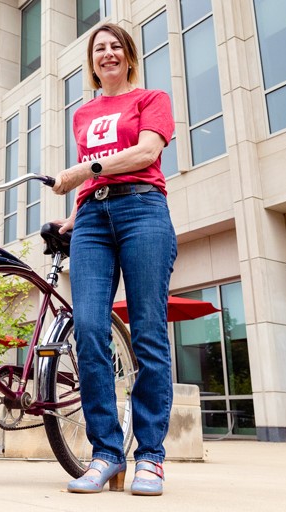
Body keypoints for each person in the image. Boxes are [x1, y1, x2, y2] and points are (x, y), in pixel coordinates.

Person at [51, 23, 177, 496]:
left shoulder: (152, 99)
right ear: (93, 61)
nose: (107, 54)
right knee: (86, 328)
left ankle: (150, 457)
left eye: (115, 47)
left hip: (143, 209)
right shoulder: (83, 113)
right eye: (98, 48)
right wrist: (75, 210)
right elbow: (92, 178)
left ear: (128, 56)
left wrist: (83, 171)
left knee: (147, 332)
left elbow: (146, 153)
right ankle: (105, 454)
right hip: (92, 218)